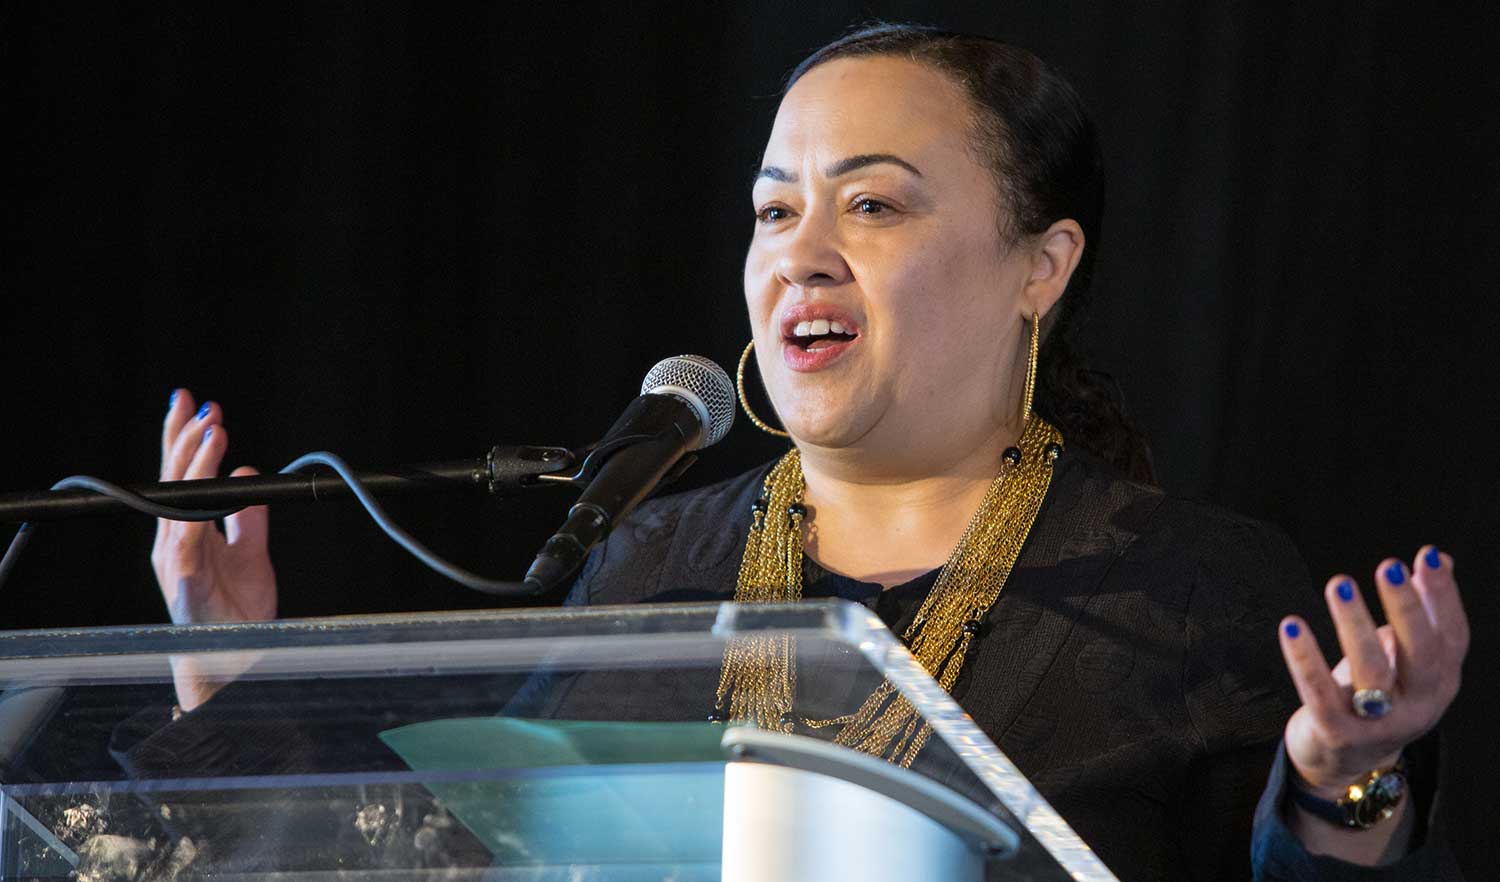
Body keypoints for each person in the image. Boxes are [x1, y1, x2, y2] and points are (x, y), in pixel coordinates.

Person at [141, 24, 1468, 881]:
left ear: (1040, 265)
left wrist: (1342, 781)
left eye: (872, 202)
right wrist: (226, 666)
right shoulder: (654, 561)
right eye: (775, 208)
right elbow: (438, 856)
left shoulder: (1195, 590)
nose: (801, 252)